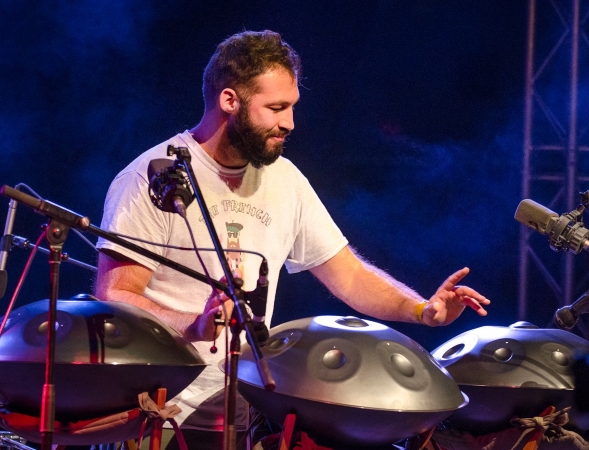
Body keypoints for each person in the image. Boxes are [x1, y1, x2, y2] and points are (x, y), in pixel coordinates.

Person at [95, 30, 490, 449]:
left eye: (293, 107)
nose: (290, 123)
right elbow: (116, 295)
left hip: (248, 411)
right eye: (277, 108)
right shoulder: (152, 176)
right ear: (230, 101)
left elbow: (350, 276)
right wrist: (192, 325)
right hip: (162, 414)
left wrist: (422, 309)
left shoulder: (286, 180)